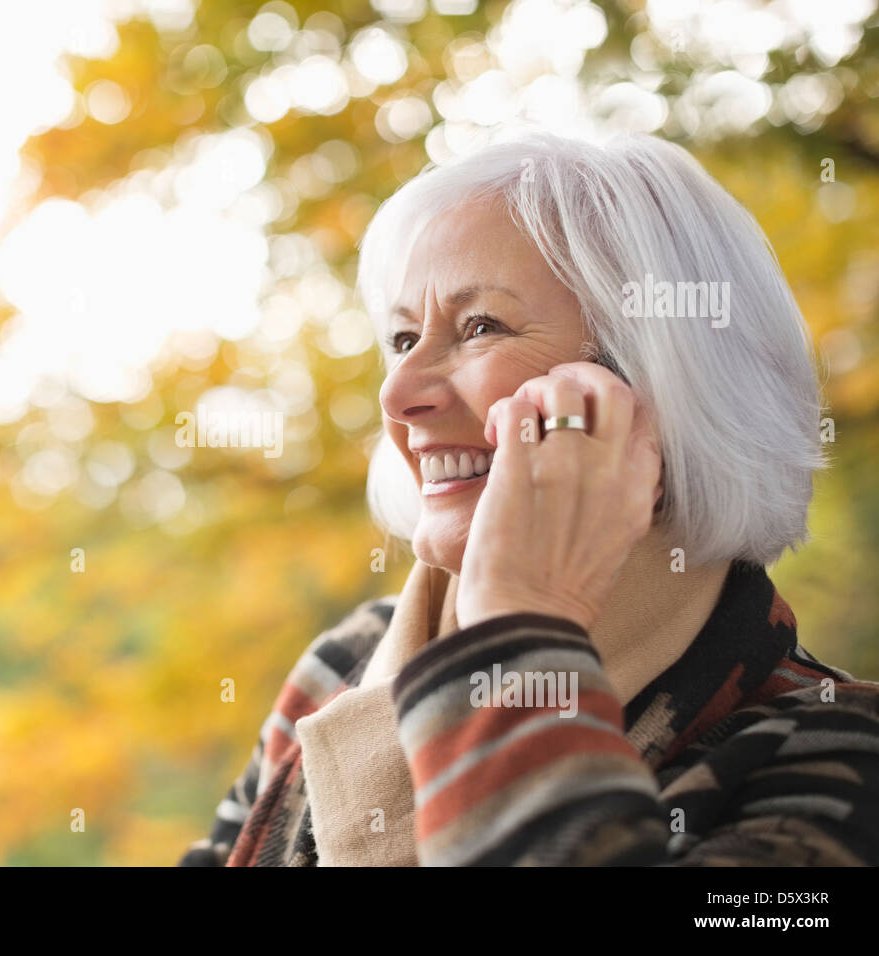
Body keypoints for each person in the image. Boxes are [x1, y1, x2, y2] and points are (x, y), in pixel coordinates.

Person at [177, 131, 879, 866]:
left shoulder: (835, 750)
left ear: (663, 387)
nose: (396, 393)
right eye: (402, 337)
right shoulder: (345, 662)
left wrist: (518, 619)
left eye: (481, 326)